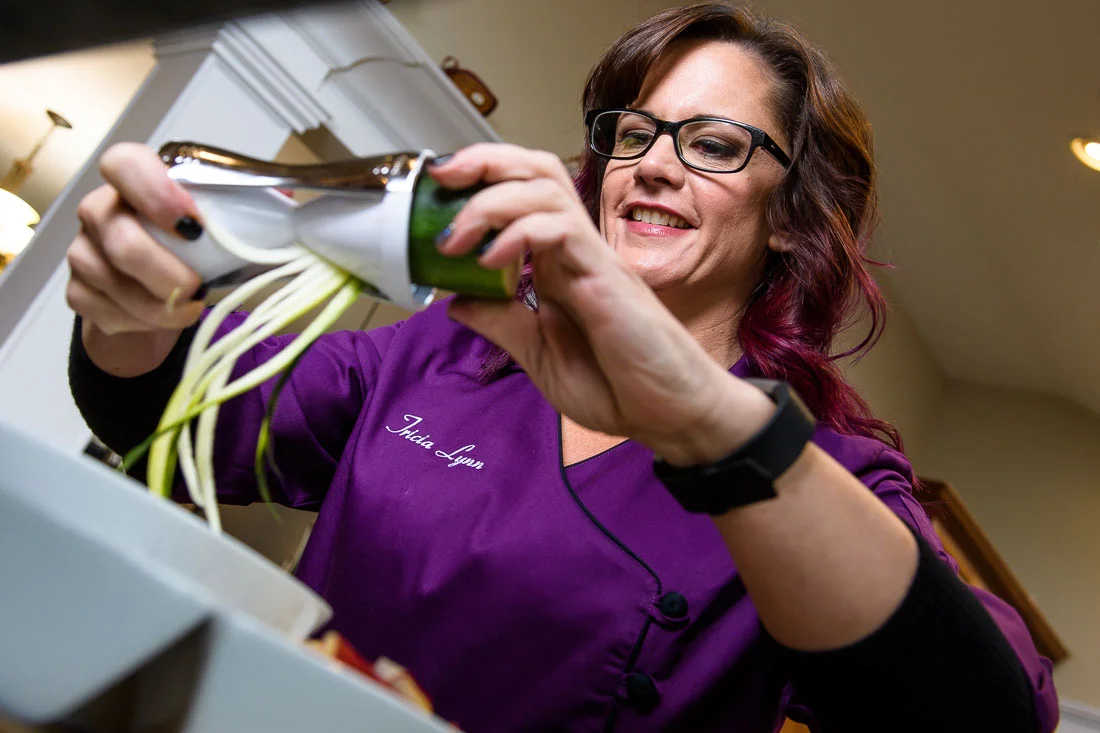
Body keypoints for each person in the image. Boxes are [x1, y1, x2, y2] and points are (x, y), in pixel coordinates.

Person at [66, 3, 1059, 731]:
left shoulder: (818, 477)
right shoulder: (444, 353)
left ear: (786, 216)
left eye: (712, 144)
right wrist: (127, 313)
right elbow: (183, 412)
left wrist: (704, 425)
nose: (652, 165)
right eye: (632, 133)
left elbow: (982, 716)